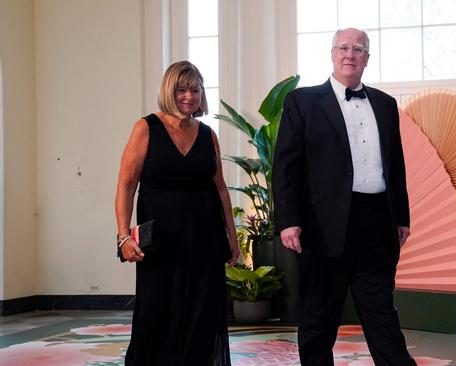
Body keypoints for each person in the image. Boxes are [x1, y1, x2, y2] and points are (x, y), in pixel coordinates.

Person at [273, 28, 416, 365]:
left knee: (381, 312)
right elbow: (286, 167)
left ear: (367, 57)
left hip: (376, 221)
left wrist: (401, 217)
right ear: (332, 54)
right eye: (343, 47)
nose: (350, 54)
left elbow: (396, 165)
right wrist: (289, 221)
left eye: (358, 48)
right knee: (319, 317)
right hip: (322, 226)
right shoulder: (302, 102)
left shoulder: (384, 104)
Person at [115, 60, 239, 366]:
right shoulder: (146, 128)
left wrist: (232, 238)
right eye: (181, 89)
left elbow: (221, 188)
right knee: (157, 313)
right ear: (169, 92)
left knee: (202, 313)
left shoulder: (208, 134)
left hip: (204, 238)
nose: (188, 96)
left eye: (194, 90)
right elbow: (126, 186)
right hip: (160, 241)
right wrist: (123, 237)